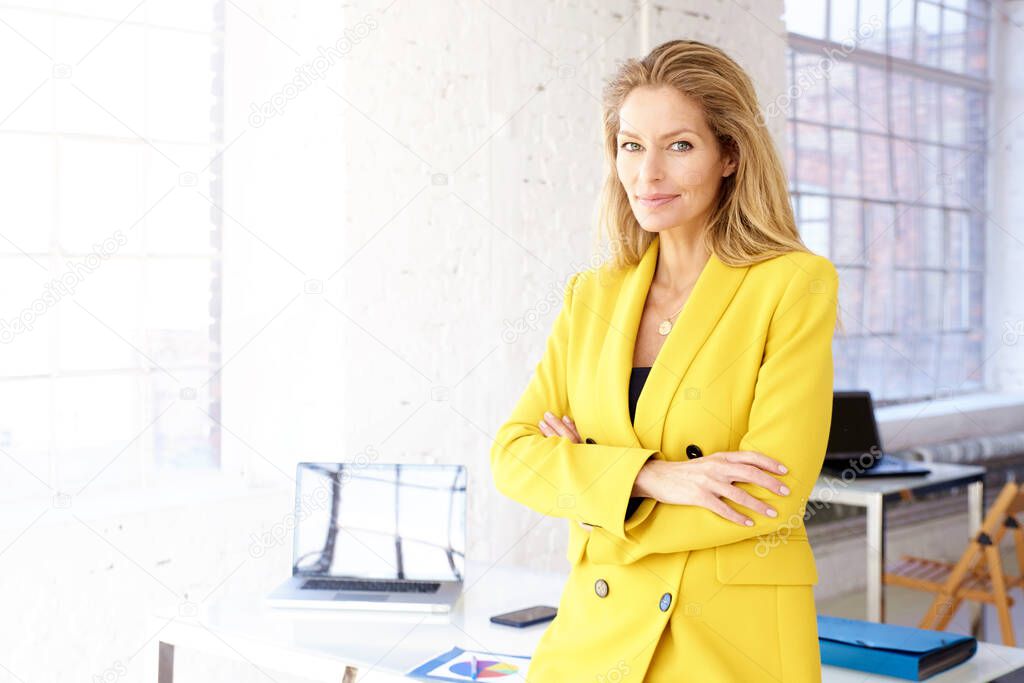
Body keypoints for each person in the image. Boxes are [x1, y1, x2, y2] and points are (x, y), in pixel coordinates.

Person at [490, 39, 841, 682]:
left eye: (679, 145)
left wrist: (592, 495)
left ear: (729, 155)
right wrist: (651, 477)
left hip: (728, 642)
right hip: (594, 636)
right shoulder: (591, 294)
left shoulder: (793, 284)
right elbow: (512, 456)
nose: (646, 174)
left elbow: (769, 492)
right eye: (631, 145)